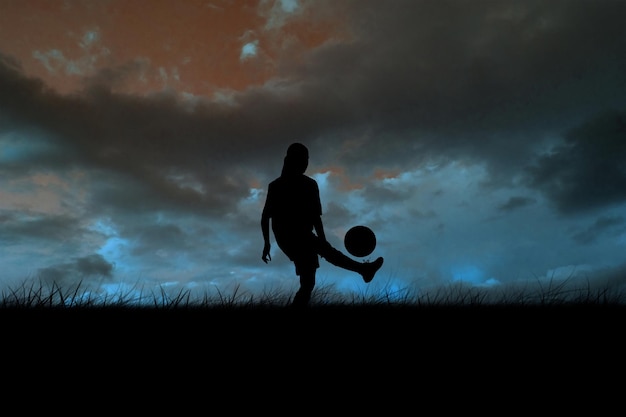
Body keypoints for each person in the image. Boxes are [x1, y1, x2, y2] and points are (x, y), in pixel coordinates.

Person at [261, 142, 384, 308]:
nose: (305, 163)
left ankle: (363, 270)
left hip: (301, 235)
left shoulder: (308, 185)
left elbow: (314, 217)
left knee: (308, 283)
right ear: (291, 160)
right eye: (302, 159)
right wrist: (267, 243)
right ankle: (363, 270)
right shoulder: (277, 186)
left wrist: (322, 240)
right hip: (289, 236)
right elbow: (266, 216)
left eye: (307, 159)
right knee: (322, 255)